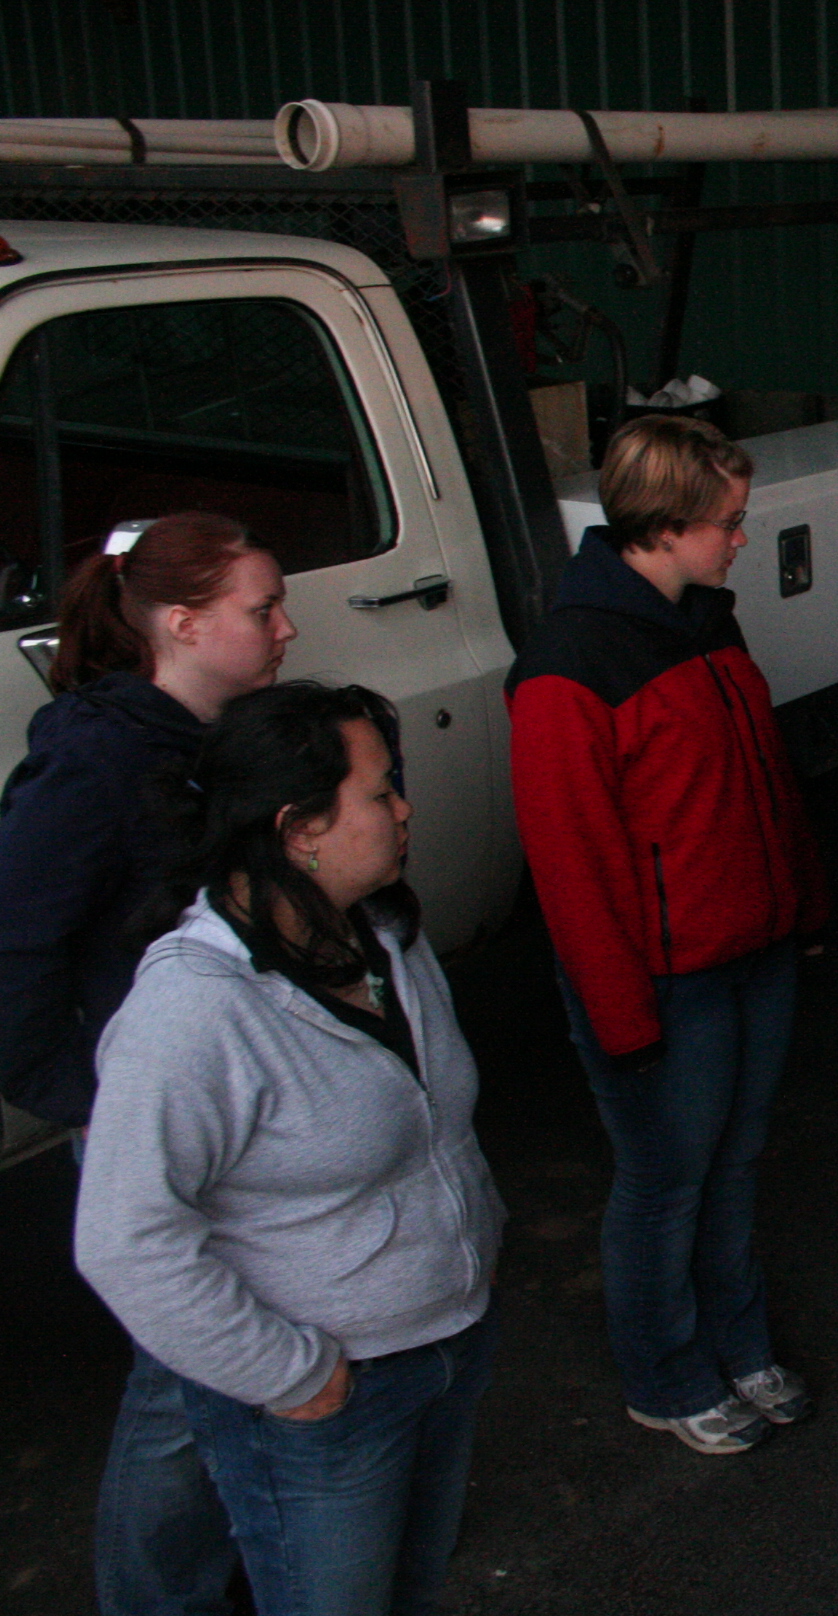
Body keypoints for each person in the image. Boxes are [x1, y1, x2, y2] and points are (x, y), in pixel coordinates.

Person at [74, 682, 502, 1616]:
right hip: (326, 1403)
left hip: (445, 1347)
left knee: (410, 1590)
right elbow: (123, 1239)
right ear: (299, 827)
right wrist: (293, 1374)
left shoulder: (380, 931)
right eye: (380, 792)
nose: (404, 809)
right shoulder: (190, 1012)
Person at [506, 414, 828, 1456]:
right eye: (728, 521)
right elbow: (571, 864)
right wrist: (622, 1015)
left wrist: (801, 906)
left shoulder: (708, 622)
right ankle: (665, 1373)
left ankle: (739, 1344)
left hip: (751, 954)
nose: (742, 537)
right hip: (667, 983)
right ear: (665, 524)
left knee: (734, 1165)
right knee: (665, 1182)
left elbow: (763, 780)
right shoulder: (566, 664)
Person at [0, 511, 295, 1616]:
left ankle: (238, 1565)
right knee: (183, 1378)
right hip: (160, 1121)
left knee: (238, 1357)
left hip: (244, 1112)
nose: (287, 627)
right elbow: (15, 951)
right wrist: (98, 1098)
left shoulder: (220, 741)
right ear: (181, 623)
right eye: (263, 608)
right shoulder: (93, 763)